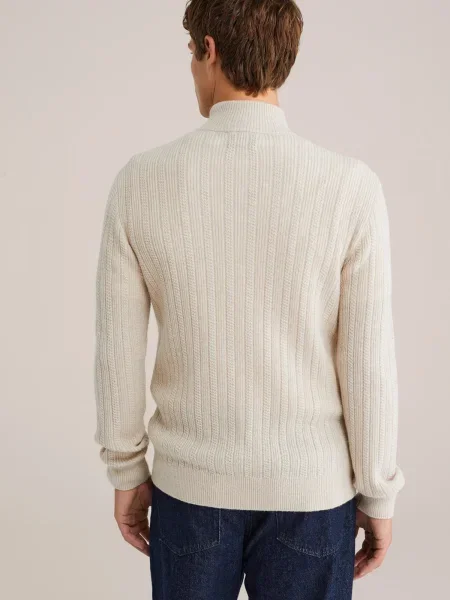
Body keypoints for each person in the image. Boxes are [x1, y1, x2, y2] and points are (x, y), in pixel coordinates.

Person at [93, 1, 405, 598]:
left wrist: (127, 471)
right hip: (312, 494)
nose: (192, 69)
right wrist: (377, 492)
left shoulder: (141, 182)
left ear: (209, 50)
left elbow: (117, 350)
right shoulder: (351, 188)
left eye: (191, 54)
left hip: (190, 492)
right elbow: (369, 363)